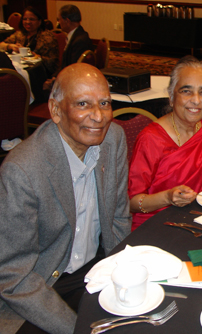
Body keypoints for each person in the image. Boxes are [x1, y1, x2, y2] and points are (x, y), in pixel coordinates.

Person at [0, 63, 132, 334]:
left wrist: (124, 278)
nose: (98, 116)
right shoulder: (23, 170)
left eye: (105, 103)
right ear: (56, 110)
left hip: (96, 270)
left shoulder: (113, 140)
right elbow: (13, 274)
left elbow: (118, 216)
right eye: (83, 103)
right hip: (41, 283)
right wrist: (77, 328)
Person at [128, 56, 202, 230]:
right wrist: (167, 197)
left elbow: (193, 172)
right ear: (171, 95)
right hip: (157, 225)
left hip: (200, 219)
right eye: (186, 91)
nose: (196, 100)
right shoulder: (151, 138)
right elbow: (132, 202)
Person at [0, 7, 58, 77]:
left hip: (39, 72)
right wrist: (10, 46)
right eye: (25, 19)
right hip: (21, 69)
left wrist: (33, 55)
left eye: (31, 19)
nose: (28, 22)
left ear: (39, 22)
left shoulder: (47, 37)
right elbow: (2, 44)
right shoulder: (20, 34)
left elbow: (53, 62)